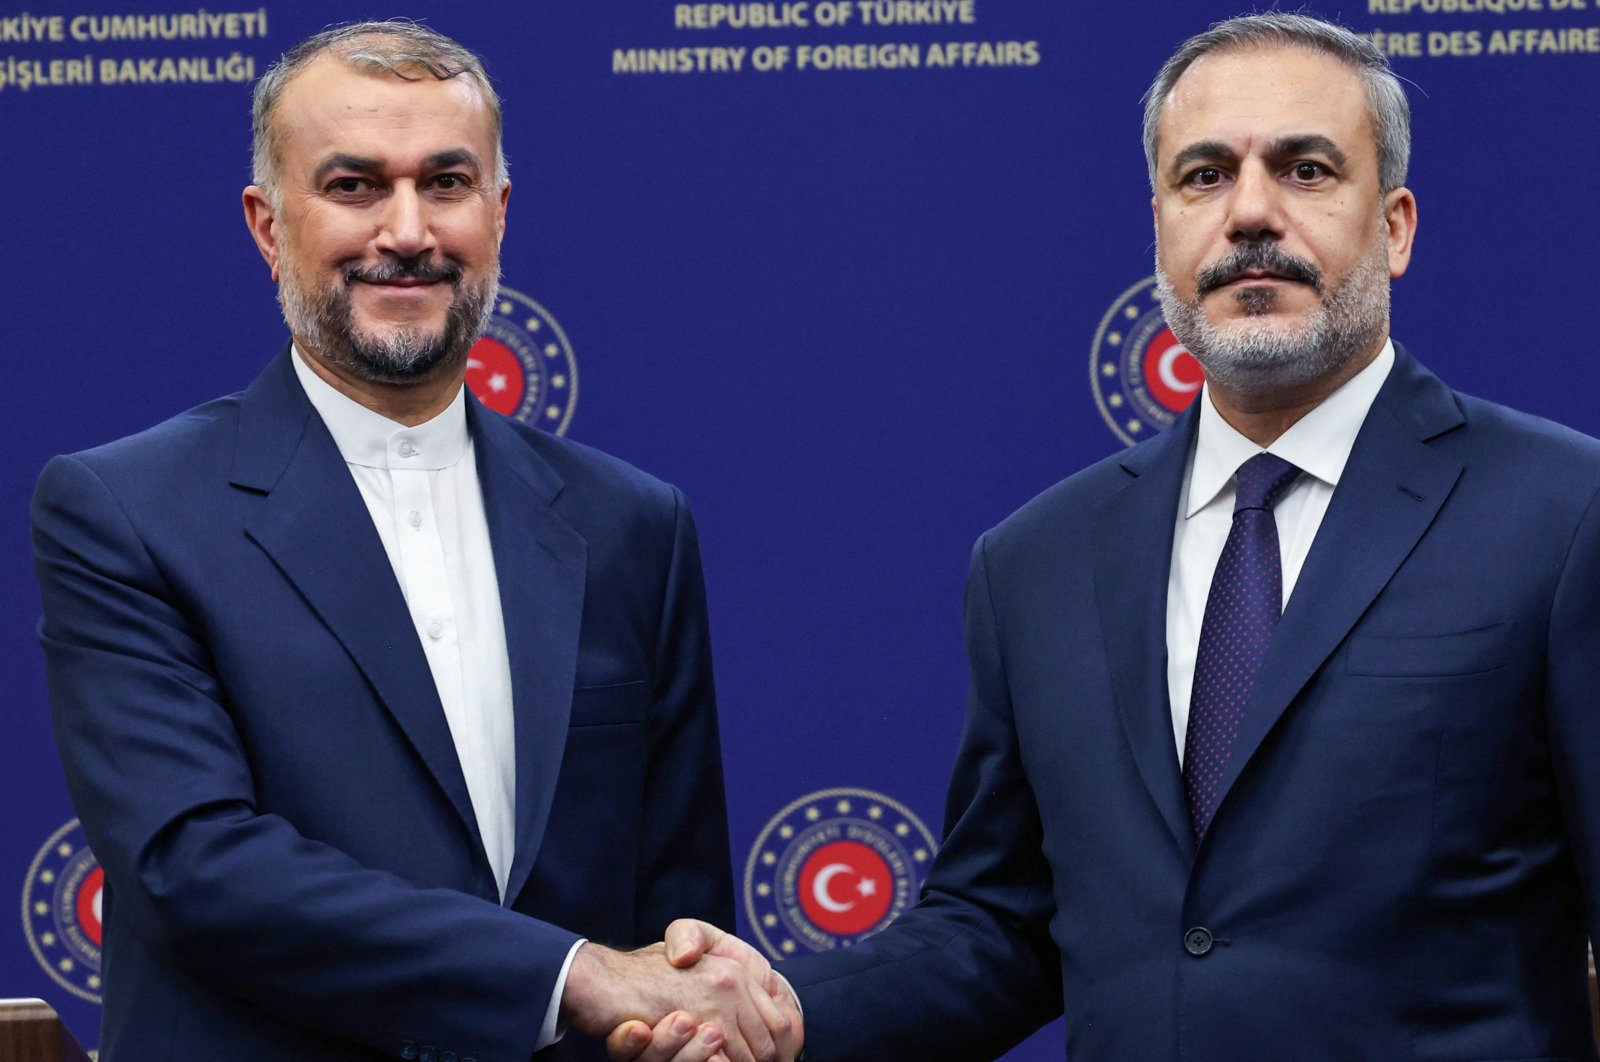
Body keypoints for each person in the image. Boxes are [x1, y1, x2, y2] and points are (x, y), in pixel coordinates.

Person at [613, 12, 1600, 1061]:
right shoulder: (1037, 561)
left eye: (1306, 170)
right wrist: (780, 1021)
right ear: (1162, 226)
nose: (1250, 214)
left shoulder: (1560, 514)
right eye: (1204, 176)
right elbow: (1002, 927)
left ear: (1395, 226)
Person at [31, 22, 797, 1062]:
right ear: (267, 224)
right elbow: (195, 865)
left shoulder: (631, 524)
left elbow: (675, 919)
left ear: (499, 212)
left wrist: (679, 1018)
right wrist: (569, 975)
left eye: (446, 182)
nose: (406, 230)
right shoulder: (125, 510)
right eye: (353, 186)